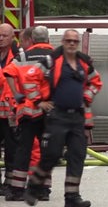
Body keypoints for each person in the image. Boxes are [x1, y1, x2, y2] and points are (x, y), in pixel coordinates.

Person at [23, 29, 102, 207]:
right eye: (68, 41)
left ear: (78, 43)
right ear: (63, 42)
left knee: (77, 156)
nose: (72, 44)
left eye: (75, 41)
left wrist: (87, 97)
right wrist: (39, 101)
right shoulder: (52, 60)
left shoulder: (84, 62)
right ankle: (34, 187)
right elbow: (29, 78)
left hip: (77, 117)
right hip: (57, 115)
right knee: (52, 154)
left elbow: (96, 82)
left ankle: (72, 198)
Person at [4, 26, 54, 201]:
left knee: (23, 150)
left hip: (28, 113)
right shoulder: (56, 57)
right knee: (45, 150)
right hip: (49, 113)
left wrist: (17, 94)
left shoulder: (23, 57)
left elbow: (8, 72)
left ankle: (17, 190)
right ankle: (44, 189)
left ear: (32, 38)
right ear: (47, 39)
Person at [0, 23, 19, 196]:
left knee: (12, 149)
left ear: (12, 37)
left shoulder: (19, 57)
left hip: (11, 112)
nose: (0, 38)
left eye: (4, 35)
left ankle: (10, 182)